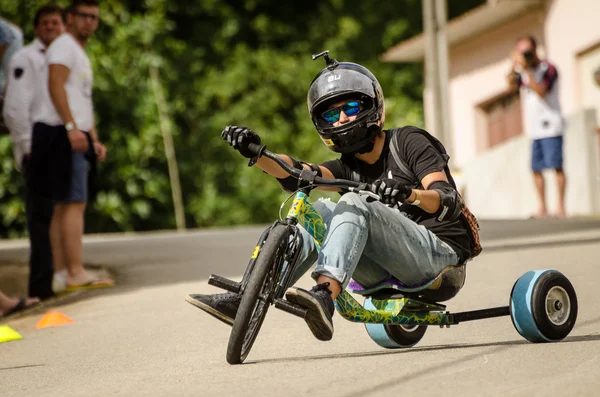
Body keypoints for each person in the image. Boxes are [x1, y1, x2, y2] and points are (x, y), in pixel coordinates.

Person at [186, 53, 480, 341]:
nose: (341, 119)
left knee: (355, 202)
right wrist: (256, 152)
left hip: (440, 261)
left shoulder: (407, 142)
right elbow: (297, 172)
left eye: (350, 107)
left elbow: (445, 197)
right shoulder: (347, 167)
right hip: (389, 269)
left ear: (371, 107)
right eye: (330, 114)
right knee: (321, 210)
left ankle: (324, 297)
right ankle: (247, 298)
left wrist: (410, 194)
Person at [29, 0, 113, 291]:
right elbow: (55, 84)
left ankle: (63, 273)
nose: (89, 22)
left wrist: (92, 137)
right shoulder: (65, 45)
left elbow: (80, 99)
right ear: (70, 18)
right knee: (73, 203)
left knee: (66, 204)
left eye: (94, 18)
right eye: (84, 16)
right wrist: (70, 127)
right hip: (60, 131)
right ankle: (73, 271)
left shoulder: (75, 50)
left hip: (71, 131)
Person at [3, 3, 66, 301]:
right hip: (37, 144)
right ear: (37, 28)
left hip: (59, 143)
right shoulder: (24, 58)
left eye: (56, 23)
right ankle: (40, 286)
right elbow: (15, 108)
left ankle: (54, 278)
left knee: (56, 215)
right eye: (46, 23)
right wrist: (28, 147)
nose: (51, 27)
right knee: (40, 219)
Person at [507, 35, 567, 219]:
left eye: (527, 52)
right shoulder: (523, 72)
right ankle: (542, 206)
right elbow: (510, 89)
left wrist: (527, 70)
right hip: (534, 128)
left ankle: (560, 207)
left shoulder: (548, 68)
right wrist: (513, 67)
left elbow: (542, 91)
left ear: (535, 50)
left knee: (556, 166)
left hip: (552, 125)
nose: (525, 56)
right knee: (536, 168)